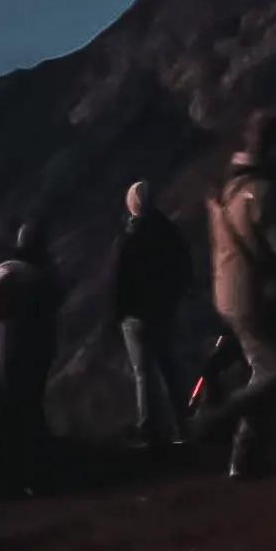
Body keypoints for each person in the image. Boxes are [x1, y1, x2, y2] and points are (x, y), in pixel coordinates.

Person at [198, 112, 276, 479]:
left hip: (228, 290)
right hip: (253, 295)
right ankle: (220, 421)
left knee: (269, 364)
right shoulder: (261, 192)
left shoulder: (223, 184)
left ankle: (248, 456)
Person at [112, 180, 193, 453]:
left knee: (143, 374)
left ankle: (150, 432)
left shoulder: (130, 238)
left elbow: (120, 281)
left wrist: (117, 315)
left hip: (135, 316)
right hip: (163, 312)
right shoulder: (169, 233)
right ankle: (183, 425)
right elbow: (184, 269)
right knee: (169, 369)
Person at [0, 219, 61, 493]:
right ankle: (35, 473)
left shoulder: (5, 272)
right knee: (31, 409)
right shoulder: (42, 275)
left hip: (4, 353)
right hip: (36, 353)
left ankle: (15, 473)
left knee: (14, 410)